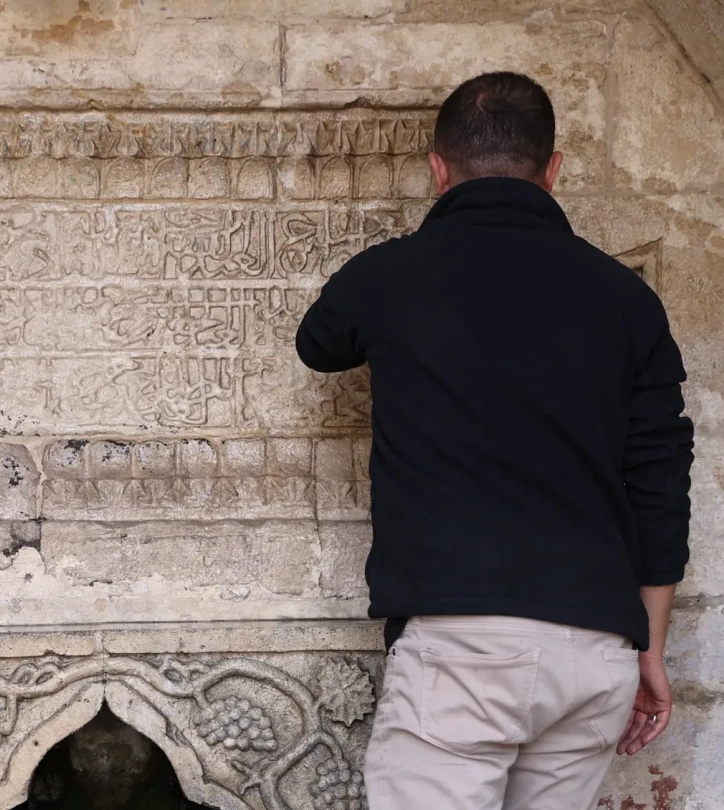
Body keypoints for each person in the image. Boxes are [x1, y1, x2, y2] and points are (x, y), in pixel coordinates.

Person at [295, 71, 694, 809]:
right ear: (554, 171)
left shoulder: (394, 276)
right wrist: (651, 650)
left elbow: (319, 342)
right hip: (597, 656)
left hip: (464, 653)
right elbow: (661, 486)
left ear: (438, 169)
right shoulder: (628, 300)